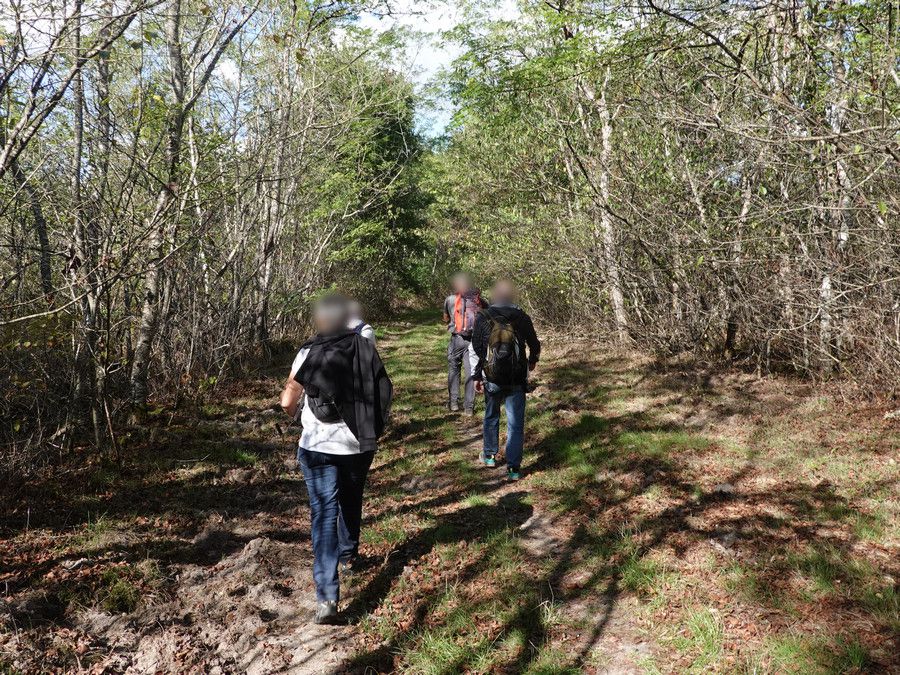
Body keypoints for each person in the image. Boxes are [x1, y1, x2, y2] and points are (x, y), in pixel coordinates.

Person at [280, 294, 393, 624]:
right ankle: (348, 555)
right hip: (359, 444)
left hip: (317, 446)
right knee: (351, 497)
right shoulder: (364, 347)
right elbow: (385, 390)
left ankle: (327, 597)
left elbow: (288, 401)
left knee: (323, 512)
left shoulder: (308, 351)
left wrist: (299, 415)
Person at [471, 280, 540, 481]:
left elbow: (477, 348)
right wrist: (532, 360)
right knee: (515, 423)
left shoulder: (483, 316)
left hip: (491, 376)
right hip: (517, 377)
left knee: (491, 416)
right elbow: (534, 343)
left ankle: (490, 456)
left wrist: (477, 374)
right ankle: (513, 468)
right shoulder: (521, 316)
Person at [442, 273, 485, 414]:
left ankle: (454, 403)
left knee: (454, 370)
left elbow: (445, 318)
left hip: (456, 339)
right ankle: (468, 408)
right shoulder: (479, 301)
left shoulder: (450, 299)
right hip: (473, 340)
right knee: (470, 372)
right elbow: (488, 315)